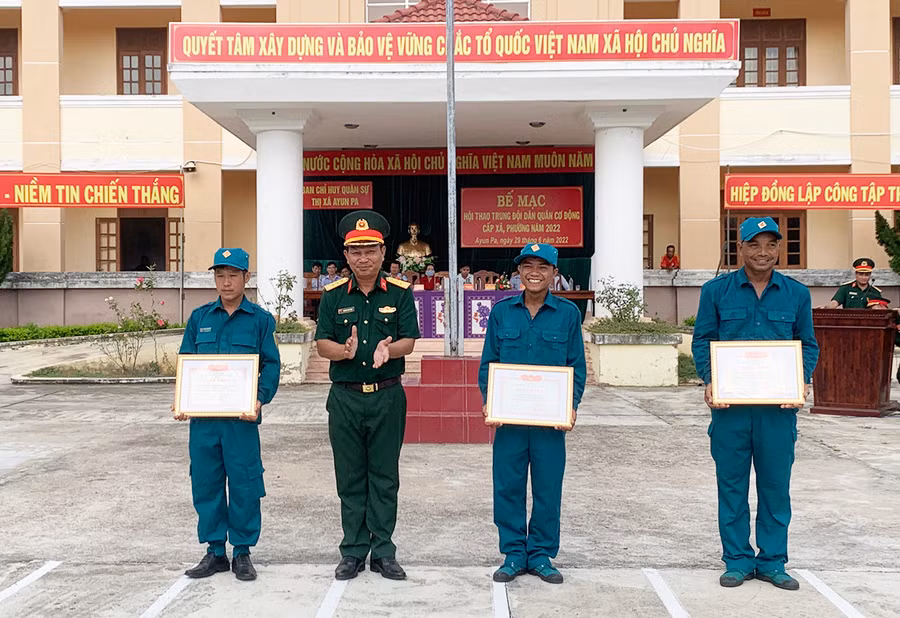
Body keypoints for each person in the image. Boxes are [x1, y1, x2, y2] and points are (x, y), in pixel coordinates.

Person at [692, 217, 819, 592]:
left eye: (770, 244)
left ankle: (773, 561)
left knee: (775, 487)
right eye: (754, 244)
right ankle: (737, 560)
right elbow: (703, 340)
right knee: (731, 486)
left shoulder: (797, 294)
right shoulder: (715, 291)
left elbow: (807, 344)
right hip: (730, 411)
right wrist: (711, 379)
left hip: (778, 412)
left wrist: (802, 378)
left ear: (779, 248)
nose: (763, 252)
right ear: (740, 248)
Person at [314, 210, 421, 582]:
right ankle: (354, 550)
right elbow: (322, 344)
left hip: (387, 397)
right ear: (346, 255)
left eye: (370, 250)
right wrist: (343, 351)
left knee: (384, 476)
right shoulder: (332, 297)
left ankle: (384, 551)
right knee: (350, 477)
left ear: (382, 252)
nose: (363, 258)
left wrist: (388, 350)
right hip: (345, 398)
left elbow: (408, 339)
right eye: (356, 251)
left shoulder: (400, 293)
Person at [479, 243, 587, 585]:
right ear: (519, 272)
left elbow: (576, 366)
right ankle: (513, 553)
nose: (535, 273)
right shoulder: (502, 312)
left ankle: (540, 554)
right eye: (528, 266)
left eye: (543, 267)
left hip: (548, 423)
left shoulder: (568, 314)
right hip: (510, 421)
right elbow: (489, 362)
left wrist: (571, 404)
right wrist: (490, 400)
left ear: (554, 273)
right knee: (507, 487)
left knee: (547, 488)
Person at [174, 247, 281, 582]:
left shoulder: (260, 320)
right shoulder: (200, 318)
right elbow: (186, 362)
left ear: (246, 277)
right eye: (220, 275)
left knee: (245, 484)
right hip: (204, 423)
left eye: (233, 274)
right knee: (206, 484)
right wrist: (183, 399)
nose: (226, 281)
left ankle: (243, 551)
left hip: (241, 422)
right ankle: (215, 551)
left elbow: (271, 365)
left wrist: (259, 400)